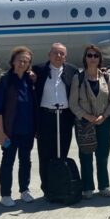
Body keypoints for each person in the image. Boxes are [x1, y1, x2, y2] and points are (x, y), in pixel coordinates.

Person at [33, 43, 80, 198]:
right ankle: (48, 189)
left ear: (65, 56)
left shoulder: (72, 70)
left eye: (62, 54)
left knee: (62, 153)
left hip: (65, 117)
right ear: (49, 54)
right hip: (45, 117)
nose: (58, 56)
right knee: (45, 155)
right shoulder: (38, 70)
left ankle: (61, 185)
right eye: (55, 53)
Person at [0, 46, 38, 207]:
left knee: (26, 160)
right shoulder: (4, 80)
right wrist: (0, 132)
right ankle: (6, 194)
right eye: (20, 60)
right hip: (9, 131)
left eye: (26, 61)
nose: (22, 63)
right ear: (13, 61)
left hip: (28, 129)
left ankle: (24, 190)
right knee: (8, 161)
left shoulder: (29, 80)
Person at [69, 45, 110, 198]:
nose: (93, 58)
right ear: (85, 58)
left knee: (102, 155)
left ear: (100, 59)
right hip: (84, 123)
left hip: (103, 122)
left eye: (96, 56)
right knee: (85, 155)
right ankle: (87, 187)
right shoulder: (79, 78)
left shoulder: (106, 78)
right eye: (90, 55)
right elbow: (73, 103)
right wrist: (86, 116)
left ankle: (104, 185)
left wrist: (104, 116)